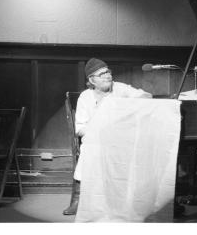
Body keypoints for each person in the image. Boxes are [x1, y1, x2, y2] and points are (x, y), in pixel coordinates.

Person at [62, 57, 152, 215]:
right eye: (102, 74)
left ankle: (129, 200)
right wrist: (97, 131)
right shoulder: (85, 97)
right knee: (90, 147)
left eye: (108, 71)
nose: (108, 75)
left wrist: (127, 108)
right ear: (92, 80)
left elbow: (146, 96)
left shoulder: (120, 88)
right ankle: (79, 199)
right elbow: (80, 128)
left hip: (121, 140)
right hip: (95, 140)